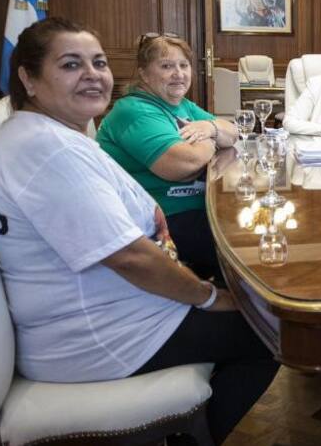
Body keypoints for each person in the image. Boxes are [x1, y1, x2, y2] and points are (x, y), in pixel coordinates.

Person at [0, 18, 277, 445]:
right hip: (104, 335)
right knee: (271, 334)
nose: (93, 74)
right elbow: (130, 256)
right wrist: (210, 296)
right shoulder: (48, 151)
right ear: (28, 78)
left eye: (98, 62)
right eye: (70, 65)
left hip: (108, 311)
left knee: (252, 309)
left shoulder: (47, 135)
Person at [97, 32, 239, 281]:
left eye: (184, 65)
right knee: (242, 245)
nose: (179, 74)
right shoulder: (135, 110)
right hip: (163, 219)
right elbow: (181, 166)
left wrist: (211, 129)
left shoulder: (179, 104)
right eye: (166, 66)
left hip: (199, 205)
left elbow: (233, 133)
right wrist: (209, 142)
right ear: (143, 73)